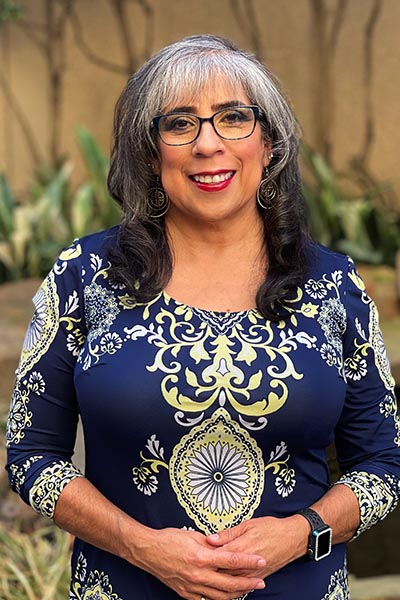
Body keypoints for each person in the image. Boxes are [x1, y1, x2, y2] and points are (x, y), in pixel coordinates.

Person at [5, 34, 400, 600]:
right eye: (180, 124)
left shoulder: (333, 285)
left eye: (234, 118)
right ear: (149, 152)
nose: (207, 144)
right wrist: (143, 546)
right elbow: (31, 456)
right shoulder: (85, 275)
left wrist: (300, 533)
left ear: (269, 144)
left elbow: (383, 464)